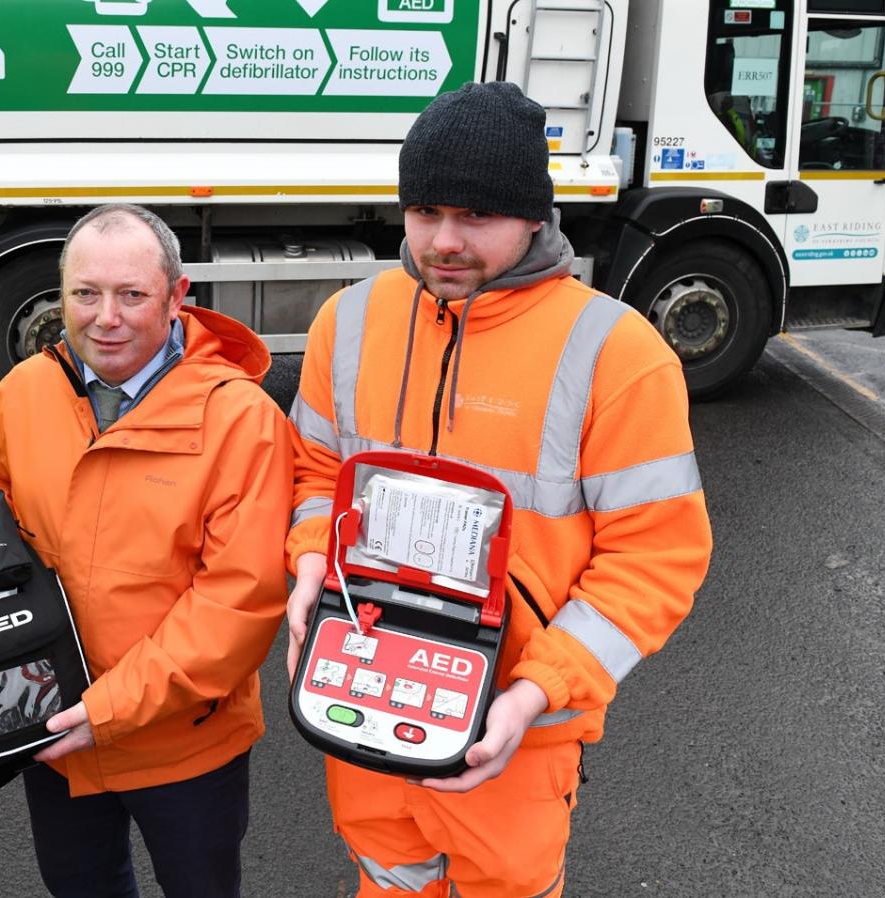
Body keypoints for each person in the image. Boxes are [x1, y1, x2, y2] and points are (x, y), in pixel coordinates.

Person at [284, 82, 713, 897]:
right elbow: (312, 472)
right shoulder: (350, 320)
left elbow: (654, 562)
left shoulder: (617, 354)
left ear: (534, 217)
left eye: (476, 215)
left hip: (515, 730)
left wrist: (535, 691)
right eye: (425, 212)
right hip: (364, 685)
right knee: (385, 874)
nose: (444, 241)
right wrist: (311, 559)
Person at [0, 203, 293, 898]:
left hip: (186, 744)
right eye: (85, 294)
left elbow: (236, 604)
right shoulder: (26, 390)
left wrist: (106, 710)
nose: (105, 318)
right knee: (78, 884)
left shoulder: (242, 421)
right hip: (54, 727)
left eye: (132, 295)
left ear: (177, 297)